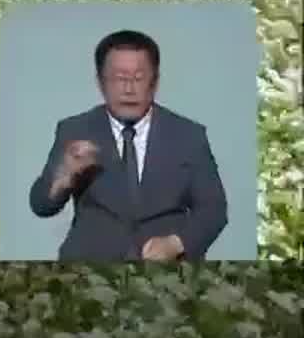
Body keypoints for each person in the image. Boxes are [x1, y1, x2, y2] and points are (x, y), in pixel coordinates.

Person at [28, 29, 228, 262]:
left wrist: (176, 243)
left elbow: (214, 210)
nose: (129, 89)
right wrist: (62, 177)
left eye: (138, 78)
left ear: (155, 82)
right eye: (120, 78)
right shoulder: (75, 130)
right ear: (100, 82)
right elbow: (41, 205)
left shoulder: (188, 135)